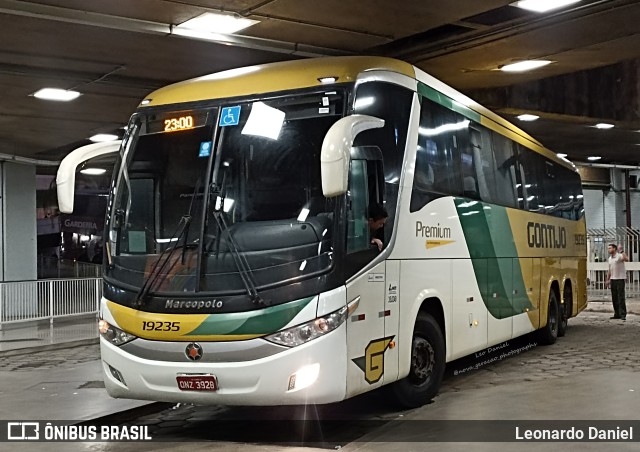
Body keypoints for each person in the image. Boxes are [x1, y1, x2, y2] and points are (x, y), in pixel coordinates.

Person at [605, 243, 628, 320]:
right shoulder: (610, 258)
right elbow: (609, 270)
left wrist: (621, 251)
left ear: (614, 249)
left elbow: (626, 258)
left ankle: (623, 314)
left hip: (620, 279)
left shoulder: (619, 256)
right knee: (614, 297)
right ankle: (617, 313)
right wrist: (607, 280)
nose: (609, 250)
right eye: (608, 248)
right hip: (613, 279)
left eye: (610, 248)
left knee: (621, 297)